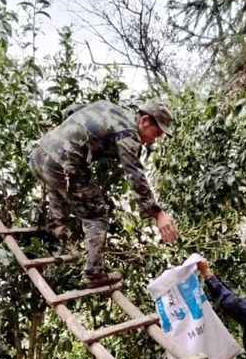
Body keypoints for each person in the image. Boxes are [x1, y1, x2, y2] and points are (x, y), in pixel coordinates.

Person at [29, 99, 179, 288]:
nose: (152, 140)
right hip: (61, 164)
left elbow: (71, 110)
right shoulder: (128, 132)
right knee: (97, 216)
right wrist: (157, 213)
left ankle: (57, 229)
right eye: (155, 134)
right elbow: (134, 173)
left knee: (61, 181)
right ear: (145, 121)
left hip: (39, 154)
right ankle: (94, 273)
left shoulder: (110, 108)